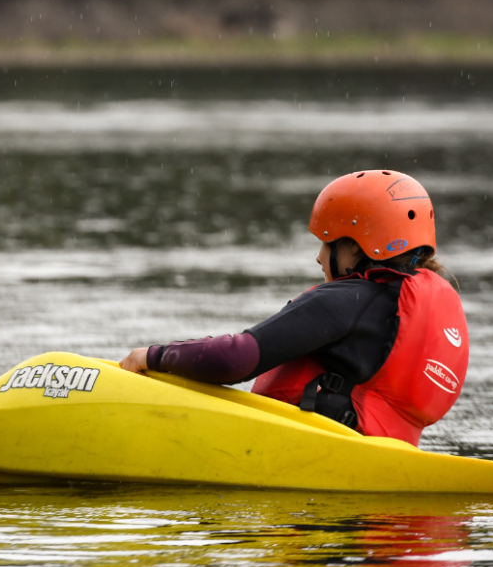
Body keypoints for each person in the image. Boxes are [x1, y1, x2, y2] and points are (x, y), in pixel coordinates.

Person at [120, 169, 468, 446]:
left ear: (357, 247)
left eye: (326, 243)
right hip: (392, 456)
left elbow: (235, 359)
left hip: (324, 461)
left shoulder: (348, 300)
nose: (318, 257)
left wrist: (152, 356)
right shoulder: (423, 303)